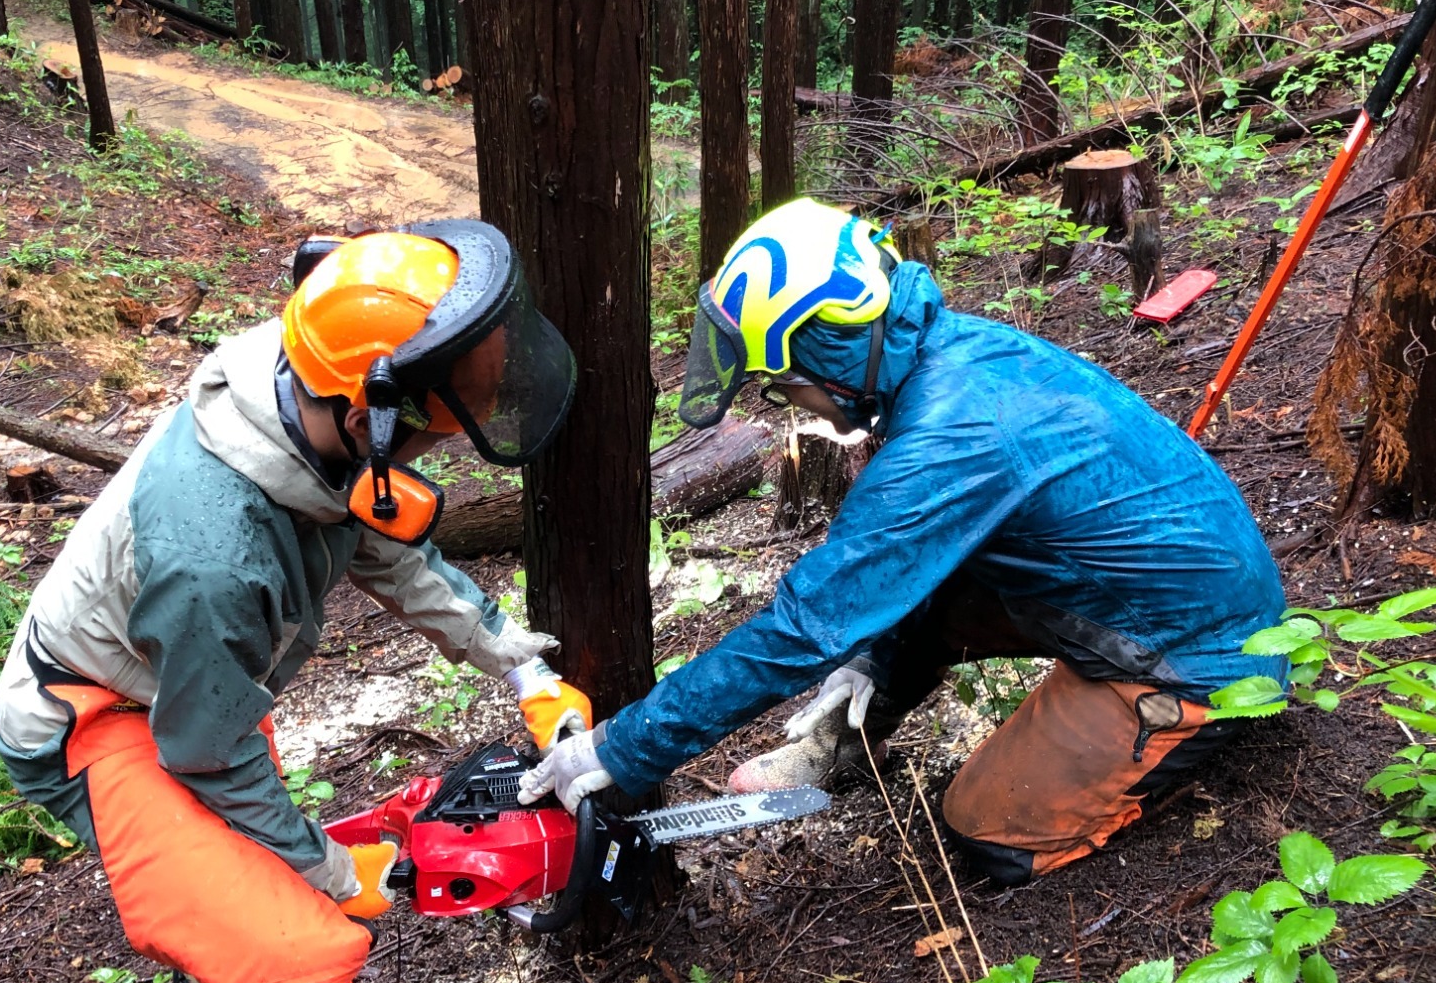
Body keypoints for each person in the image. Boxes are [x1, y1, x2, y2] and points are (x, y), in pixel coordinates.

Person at [0, 222, 591, 983]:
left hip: (193, 687)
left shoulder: (316, 404)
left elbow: (388, 544)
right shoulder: (215, 559)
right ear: (379, 406)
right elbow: (205, 755)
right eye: (462, 398)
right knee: (282, 949)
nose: (476, 413)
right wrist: (327, 871)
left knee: (259, 877)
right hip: (98, 721)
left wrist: (519, 666)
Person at [521, 198, 1287, 885]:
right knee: (917, 588)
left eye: (788, 381)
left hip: (1196, 652)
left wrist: (623, 747)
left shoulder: (953, 435)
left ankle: (1167, 737)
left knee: (989, 830)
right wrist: (875, 658)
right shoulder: (950, 356)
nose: (789, 399)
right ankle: (851, 734)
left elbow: (804, 626)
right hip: (1136, 595)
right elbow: (887, 579)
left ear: (831, 350)